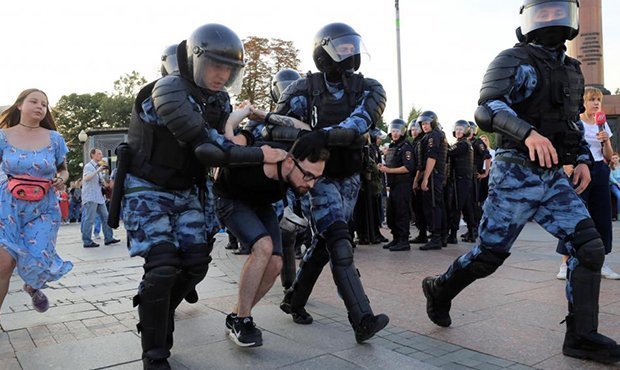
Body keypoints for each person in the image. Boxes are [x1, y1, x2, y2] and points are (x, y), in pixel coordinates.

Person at [422, 0, 620, 364]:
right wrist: (527, 133)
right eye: (542, 11)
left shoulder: (573, 71)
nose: (551, 18)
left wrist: (580, 159)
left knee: (589, 248)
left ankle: (581, 336)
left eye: (557, 10)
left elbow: (572, 123)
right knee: (489, 257)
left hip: (553, 177)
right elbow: (488, 107)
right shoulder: (512, 60)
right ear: (529, 18)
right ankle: (439, 289)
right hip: (515, 173)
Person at [116, 23, 287, 369]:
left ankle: (155, 310)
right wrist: (261, 154)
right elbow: (209, 146)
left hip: (188, 191)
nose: (221, 74)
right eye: (215, 65)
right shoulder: (167, 90)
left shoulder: (219, 100)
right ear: (195, 60)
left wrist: (252, 121)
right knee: (163, 267)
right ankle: (156, 351)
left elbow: (230, 135)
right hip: (149, 190)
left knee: (195, 263)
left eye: (228, 68)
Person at [273, 22, 390, 343]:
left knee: (323, 244)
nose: (349, 54)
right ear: (323, 51)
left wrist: (319, 134)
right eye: (342, 48)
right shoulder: (301, 89)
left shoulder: (371, 88)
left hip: (349, 176)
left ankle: (294, 299)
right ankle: (362, 318)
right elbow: (276, 127)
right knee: (339, 240)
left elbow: (359, 124)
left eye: (353, 47)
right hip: (317, 177)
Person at [217, 140, 329, 347]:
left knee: (276, 263)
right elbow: (227, 144)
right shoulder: (259, 155)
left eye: (316, 178)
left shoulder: (292, 168)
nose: (311, 184)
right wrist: (243, 132)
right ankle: (243, 320)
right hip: (230, 200)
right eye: (308, 176)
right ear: (289, 162)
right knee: (263, 247)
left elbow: (308, 131)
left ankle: (236, 315)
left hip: (261, 206)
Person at [0, 88, 73, 315]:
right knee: (4, 264)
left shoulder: (54, 139)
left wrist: (61, 180)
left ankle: (32, 287)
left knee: (38, 259)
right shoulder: (3, 136)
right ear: (20, 105)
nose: (40, 106)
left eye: (44, 104)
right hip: (8, 204)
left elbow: (64, 170)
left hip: (43, 207)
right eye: (34, 101)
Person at [556, 87, 619, 280]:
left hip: (600, 171)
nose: (596, 103)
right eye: (592, 99)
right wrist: (567, 165)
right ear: (583, 101)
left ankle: (600, 262)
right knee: (574, 216)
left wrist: (606, 141)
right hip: (579, 171)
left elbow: (608, 156)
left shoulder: (602, 124)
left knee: (602, 217)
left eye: (598, 100)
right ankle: (565, 263)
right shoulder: (575, 123)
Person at [378, 119, 415, 251]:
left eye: (397, 131)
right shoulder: (393, 147)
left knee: (402, 213)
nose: (394, 133)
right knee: (392, 214)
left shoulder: (406, 147)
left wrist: (388, 170)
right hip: (393, 186)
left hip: (402, 185)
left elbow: (408, 167)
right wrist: (383, 167)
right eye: (393, 130)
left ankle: (404, 241)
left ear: (402, 132)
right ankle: (396, 238)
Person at [415, 111, 448, 251]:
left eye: (427, 123)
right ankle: (440, 237)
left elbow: (431, 158)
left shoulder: (434, 135)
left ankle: (436, 238)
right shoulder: (431, 135)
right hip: (434, 175)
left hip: (434, 176)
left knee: (434, 207)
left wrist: (425, 179)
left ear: (433, 123)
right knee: (434, 206)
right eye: (422, 124)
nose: (424, 126)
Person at [81, 148, 119, 248]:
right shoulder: (89, 166)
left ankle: (109, 238)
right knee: (89, 219)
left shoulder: (98, 167)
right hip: (90, 196)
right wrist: (98, 170)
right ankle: (87, 241)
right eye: (98, 153)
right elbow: (86, 178)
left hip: (98, 196)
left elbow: (99, 182)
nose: (101, 155)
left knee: (106, 217)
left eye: (101, 153)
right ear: (92, 155)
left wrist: (103, 183)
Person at [445, 120, 473, 245]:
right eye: (457, 129)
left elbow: (448, 152)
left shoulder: (462, 144)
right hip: (464, 179)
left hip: (460, 180)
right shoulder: (466, 144)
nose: (458, 131)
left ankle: (453, 235)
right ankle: (472, 232)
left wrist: (442, 144)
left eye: (461, 129)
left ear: (466, 131)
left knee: (456, 207)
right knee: (467, 207)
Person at [610, 152, 620, 220]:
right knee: (619, 196)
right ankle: (618, 214)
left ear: (619, 158)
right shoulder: (610, 167)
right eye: (613, 158)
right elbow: (610, 177)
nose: (615, 159)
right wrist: (617, 183)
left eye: (616, 158)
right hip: (613, 184)